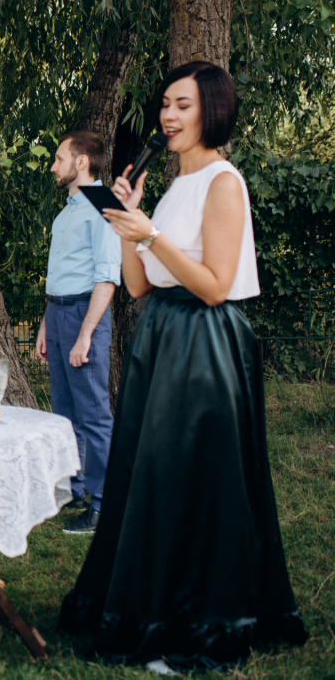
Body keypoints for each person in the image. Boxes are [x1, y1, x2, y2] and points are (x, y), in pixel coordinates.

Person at [58, 61, 309, 674]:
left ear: (212, 111)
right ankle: (156, 608)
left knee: (199, 483)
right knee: (157, 479)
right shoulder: (172, 187)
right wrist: (127, 224)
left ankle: (203, 622)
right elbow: (141, 288)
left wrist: (153, 235)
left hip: (205, 344)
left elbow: (217, 286)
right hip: (163, 336)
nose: (168, 116)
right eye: (165, 104)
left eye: (183, 105)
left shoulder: (224, 182)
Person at [36, 131, 121, 534]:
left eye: (58, 158)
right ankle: (75, 490)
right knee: (65, 413)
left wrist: (86, 334)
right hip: (58, 314)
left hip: (85, 315)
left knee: (93, 415)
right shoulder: (68, 210)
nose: (53, 166)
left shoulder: (105, 206)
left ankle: (103, 506)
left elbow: (107, 279)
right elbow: (60, 275)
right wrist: (44, 325)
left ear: (81, 162)